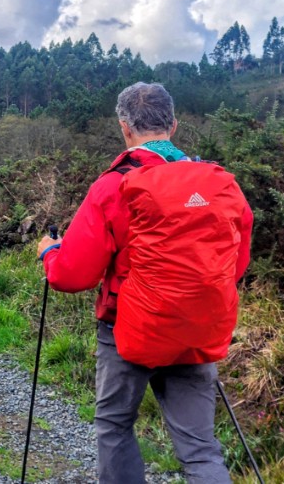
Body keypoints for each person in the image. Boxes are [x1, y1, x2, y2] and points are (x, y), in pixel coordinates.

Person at [37, 82, 252, 484]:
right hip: (197, 332)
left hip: (128, 330)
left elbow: (71, 275)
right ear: (173, 125)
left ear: (124, 128)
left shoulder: (113, 185)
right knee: (200, 449)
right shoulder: (219, 184)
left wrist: (49, 252)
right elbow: (235, 265)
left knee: (115, 425)